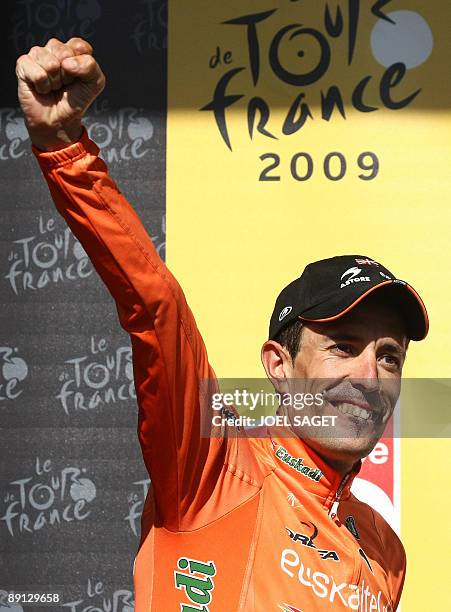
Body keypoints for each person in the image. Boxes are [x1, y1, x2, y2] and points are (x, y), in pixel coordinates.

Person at [16, 38, 428, 612]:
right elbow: (155, 304)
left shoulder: (386, 553)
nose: (369, 375)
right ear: (279, 367)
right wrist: (66, 151)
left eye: (389, 356)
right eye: (342, 346)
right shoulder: (216, 461)